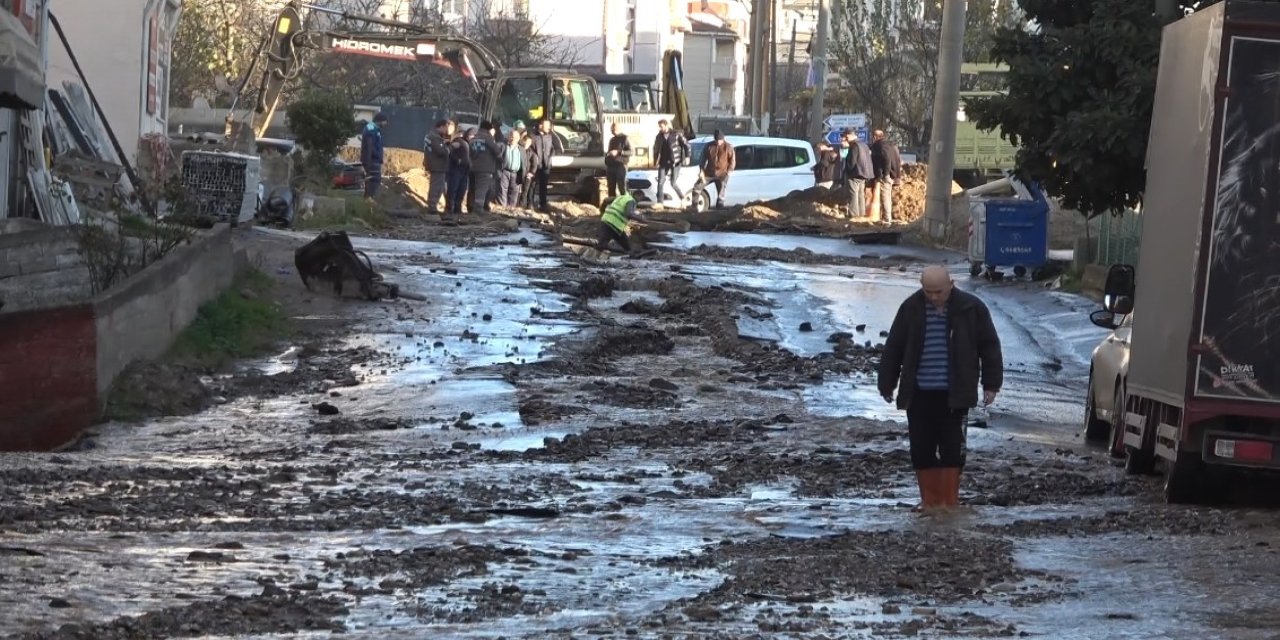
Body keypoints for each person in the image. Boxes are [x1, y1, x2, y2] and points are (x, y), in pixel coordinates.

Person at [877, 265, 1003, 511]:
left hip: (955, 395)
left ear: (951, 284)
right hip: (919, 393)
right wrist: (887, 384)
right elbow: (894, 347)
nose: (934, 297)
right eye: (929, 291)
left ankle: (949, 503)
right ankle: (929, 502)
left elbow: (989, 347)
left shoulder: (971, 308)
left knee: (952, 449)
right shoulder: (911, 308)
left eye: (939, 292)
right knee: (921, 449)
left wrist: (991, 384)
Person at [598, 189, 650, 256]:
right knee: (602, 244)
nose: (640, 200)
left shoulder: (622, 197)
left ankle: (631, 256)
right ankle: (593, 257)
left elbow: (606, 200)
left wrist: (602, 212)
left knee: (626, 245)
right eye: (641, 198)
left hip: (612, 223)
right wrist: (641, 218)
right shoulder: (631, 201)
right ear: (637, 195)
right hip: (612, 223)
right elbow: (628, 213)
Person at [651, 119, 690, 207]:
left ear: (666, 125)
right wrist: (655, 161)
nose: (660, 128)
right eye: (659, 127)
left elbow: (686, 145)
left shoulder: (676, 134)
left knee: (673, 182)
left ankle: (683, 198)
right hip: (664, 161)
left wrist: (687, 156)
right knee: (660, 181)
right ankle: (660, 202)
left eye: (662, 126)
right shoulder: (659, 137)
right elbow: (656, 149)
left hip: (675, 161)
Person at [468, 121, 502, 213]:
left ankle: (470, 207)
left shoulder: (474, 138)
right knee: (482, 188)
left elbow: (470, 152)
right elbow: (498, 152)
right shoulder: (487, 138)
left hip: (473, 167)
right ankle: (478, 208)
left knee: (472, 188)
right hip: (485, 168)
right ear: (489, 129)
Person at [870, 129, 903, 223]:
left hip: (885, 175)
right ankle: (887, 217)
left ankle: (886, 218)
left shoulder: (880, 145)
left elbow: (887, 159)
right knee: (887, 196)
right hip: (894, 174)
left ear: (875, 137)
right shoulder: (891, 145)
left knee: (884, 196)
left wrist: (885, 175)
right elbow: (898, 159)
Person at [423, 118, 454, 215]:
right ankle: (432, 207)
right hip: (437, 166)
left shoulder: (430, 135)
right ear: (441, 126)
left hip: (435, 165)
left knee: (439, 187)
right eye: (446, 128)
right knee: (436, 187)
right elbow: (441, 152)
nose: (446, 130)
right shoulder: (435, 137)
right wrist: (448, 147)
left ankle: (433, 206)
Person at [531, 118, 562, 213]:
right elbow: (530, 149)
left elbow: (555, 148)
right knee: (532, 185)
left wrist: (550, 157)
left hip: (546, 164)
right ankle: (530, 203)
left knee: (543, 186)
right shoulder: (533, 136)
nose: (549, 127)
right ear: (540, 126)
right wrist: (534, 157)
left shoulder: (550, 136)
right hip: (535, 165)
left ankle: (543, 204)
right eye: (547, 125)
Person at [699, 129, 735, 208]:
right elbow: (702, 159)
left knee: (721, 191)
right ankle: (694, 207)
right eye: (717, 140)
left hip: (722, 173)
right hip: (709, 172)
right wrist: (701, 170)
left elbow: (732, 161)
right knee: (697, 187)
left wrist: (728, 172)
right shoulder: (709, 146)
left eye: (720, 140)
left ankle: (720, 207)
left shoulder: (728, 147)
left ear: (723, 139)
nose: (718, 142)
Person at [842, 128, 874, 219]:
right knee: (860, 194)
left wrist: (847, 171)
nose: (845, 139)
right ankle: (861, 214)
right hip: (864, 173)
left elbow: (851, 162)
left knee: (853, 194)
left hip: (855, 173)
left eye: (845, 137)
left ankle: (854, 215)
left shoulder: (854, 146)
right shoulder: (864, 144)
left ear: (849, 135)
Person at [360, 112, 388, 200]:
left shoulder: (375, 129)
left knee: (374, 181)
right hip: (372, 161)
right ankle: (369, 199)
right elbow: (369, 146)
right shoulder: (371, 129)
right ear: (380, 121)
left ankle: (369, 199)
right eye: (385, 121)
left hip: (374, 160)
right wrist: (370, 162)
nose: (386, 123)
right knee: (374, 181)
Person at [444, 129, 471, 219]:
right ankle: (449, 209)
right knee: (453, 189)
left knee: (461, 190)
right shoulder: (459, 141)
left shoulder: (467, 143)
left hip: (464, 170)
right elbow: (449, 151)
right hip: (456, 169)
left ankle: (457, 209)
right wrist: (457, 160)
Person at [498, 128, 524, 208]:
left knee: (514, 191)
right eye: (512, 136)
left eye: (516, 137)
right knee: (502, 190)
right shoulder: (503, 146)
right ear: (508, 137)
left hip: (516, 173)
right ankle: (503, 208)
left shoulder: (521, 149)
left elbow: (524, 162)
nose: (513, 139)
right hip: (504, 171)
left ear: (519, 138)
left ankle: (511, 209)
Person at [605, 122, 632, 198]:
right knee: (611, 187)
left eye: (612, 129)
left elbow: (631, 152)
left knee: (621, 186)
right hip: (611, 166)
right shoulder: (612, 140)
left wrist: (619, 152)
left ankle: (625, 203)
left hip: (620, 165)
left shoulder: (625, 138)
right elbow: (609, 151)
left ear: (616, 129)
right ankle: (611, 204)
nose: (611, 131)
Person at [519, 134, 539, 209]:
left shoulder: (531, 152)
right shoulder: (520, 149)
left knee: (525, 191)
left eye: (529, 142)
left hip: (527, 174)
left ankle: (523, 206)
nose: (528, 143)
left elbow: (534, 164)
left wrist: (531, 173)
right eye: (527, 141)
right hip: (520, 173)